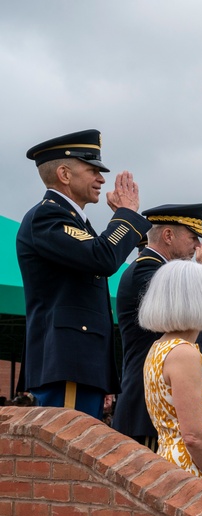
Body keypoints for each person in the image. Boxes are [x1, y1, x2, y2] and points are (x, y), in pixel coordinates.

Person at [17, 129, 151, 418]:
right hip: (68, 361)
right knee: (65, 455)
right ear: (64, 174)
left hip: (77, 361)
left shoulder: (72, 219)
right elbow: (102, 257)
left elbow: (100, 251)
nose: (102, 178)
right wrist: (126, 214)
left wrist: (125, 219)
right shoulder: (48, 216)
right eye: (93, 170)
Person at [113, 203, 202, 451]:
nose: (197, 246)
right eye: (192, 237)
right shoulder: (147, 268)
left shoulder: (154, 268)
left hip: (156, 407)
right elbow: (189, 302)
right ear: (168, 235)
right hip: (148, 410)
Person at [138, 260, 202, 497]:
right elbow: (194, 437)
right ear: (193, 298)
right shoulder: (184, 353)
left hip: (172, 467)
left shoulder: (159, 347)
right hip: (191, 473)